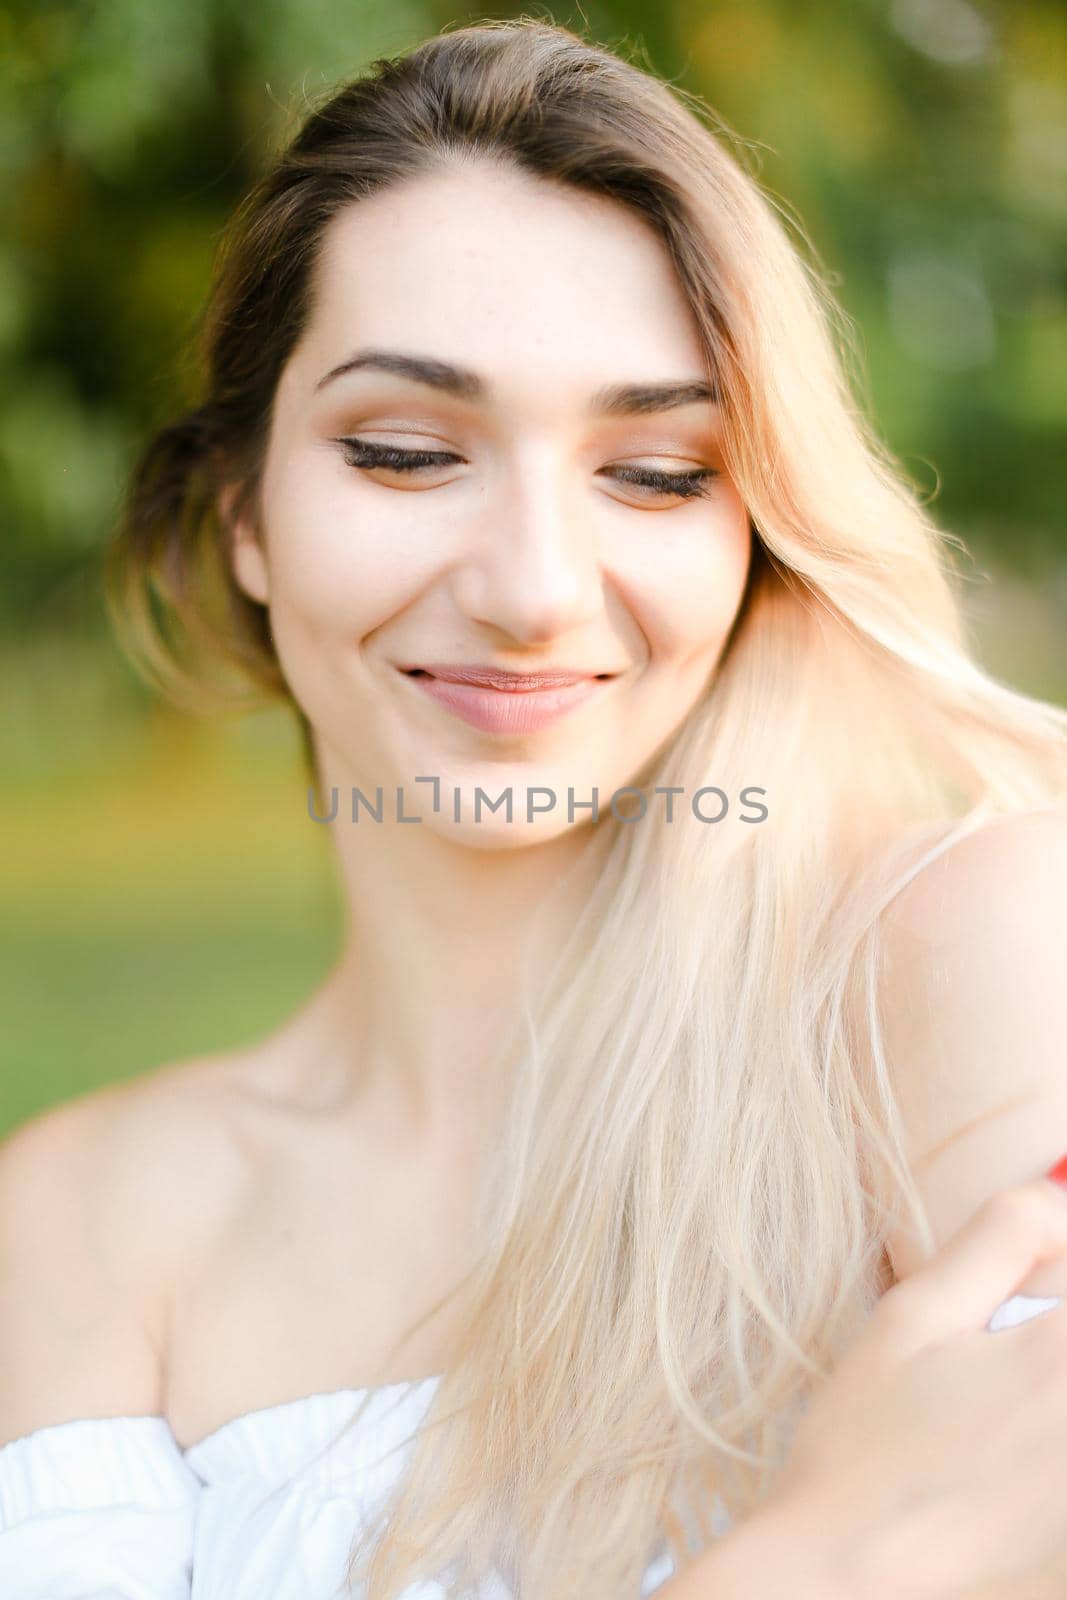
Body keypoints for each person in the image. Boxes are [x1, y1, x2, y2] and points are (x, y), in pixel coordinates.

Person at [2, 16, 1067, 1600]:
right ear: (245, 519)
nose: (533, 590)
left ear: (760, 525)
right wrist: (817, 1556)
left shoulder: (970, 957)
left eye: (657, 474)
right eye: (409, 452)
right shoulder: (74, 1223)